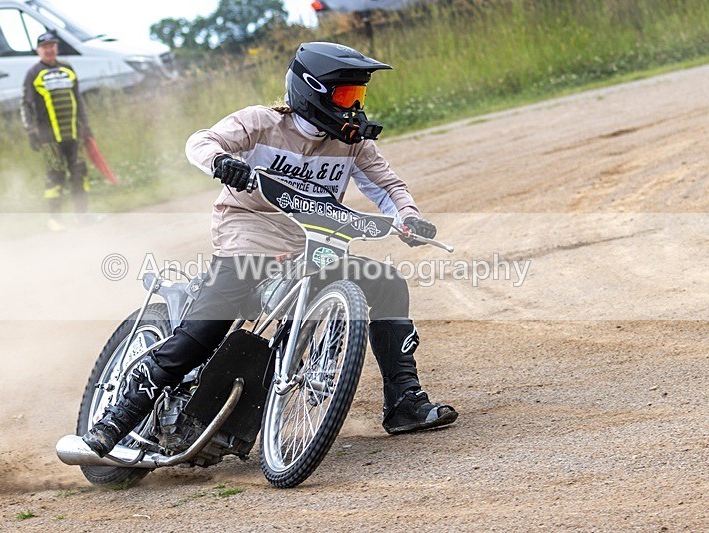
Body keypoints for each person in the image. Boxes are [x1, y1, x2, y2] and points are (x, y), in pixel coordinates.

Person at [83, 42, 458, 458]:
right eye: (346, 96)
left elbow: (388, 187)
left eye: (359, 97)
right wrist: (220, 162)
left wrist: (407, 216)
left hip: (310, 245)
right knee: (206, 329)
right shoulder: (261, 123)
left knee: (387, 284)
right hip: (248, 235)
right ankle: (119, 415)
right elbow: (200, 141)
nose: (354, 108)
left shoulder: (353, 142)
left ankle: (404, 402)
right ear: (312, 91)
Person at [20, 31, 92, 231]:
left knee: (80, 174)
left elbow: (79, 99)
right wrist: (30, 131)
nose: (49, 50)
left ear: (56, 48)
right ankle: (55, 220)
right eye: (45, 47)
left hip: (74, 133)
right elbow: (25, 104)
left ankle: (82, 216)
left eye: (52, 46)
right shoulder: (33, 73)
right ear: (38, 51)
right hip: (48, 137)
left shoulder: (68, 69)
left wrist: (86, 128)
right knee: (56, 175)